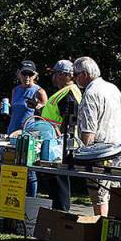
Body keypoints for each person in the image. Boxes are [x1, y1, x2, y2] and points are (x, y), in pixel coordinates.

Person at [74, 56, 121, 216]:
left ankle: (100, 234)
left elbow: (89, 130)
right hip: (119, 152)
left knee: (99, 198)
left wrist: (81, 155)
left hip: (98, 155)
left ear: (84, 74)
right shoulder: (113, 88)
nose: (75, 79)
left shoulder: (90, 93)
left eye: (76, 75)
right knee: (119, 198)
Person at [41, 60, 82, 211]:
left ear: (66, 75)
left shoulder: (69, 92)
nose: (53, 77)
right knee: (54, 182)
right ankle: (57, 215)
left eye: (56, 74)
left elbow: (69, 116)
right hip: (55, 144)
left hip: (59, 145)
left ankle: (61, 215)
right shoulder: (64, 91)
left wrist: (60, 135)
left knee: (59, 182)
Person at [6, 60, 48, 198]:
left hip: (29, 135)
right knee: (12, 169)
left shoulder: (39, 91)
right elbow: (14, 111)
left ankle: (31, 200)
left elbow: (46, 117)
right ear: (18, 74)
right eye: (24, 73)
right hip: (13, 132)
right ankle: (14, 199)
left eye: (30, 74)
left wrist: (37, 106)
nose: (27, 77)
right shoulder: (16, 90)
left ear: (35, 75)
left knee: (29, 171)